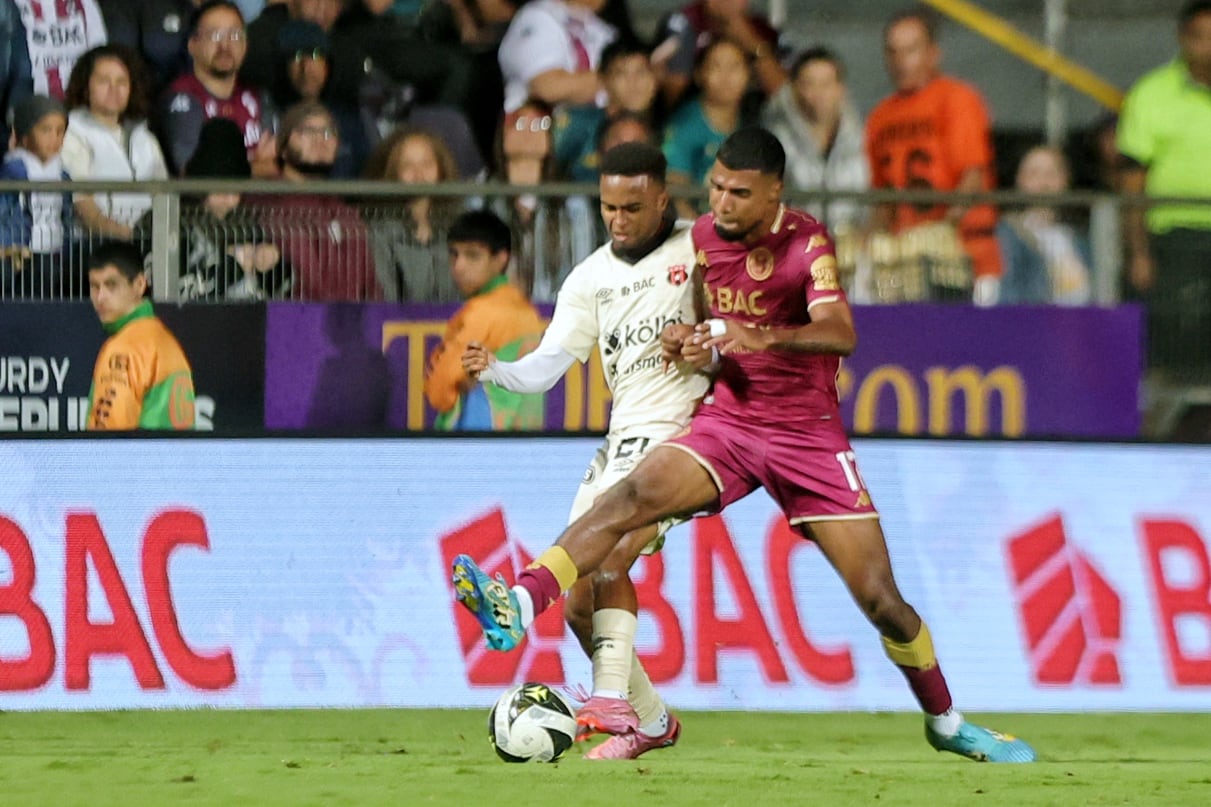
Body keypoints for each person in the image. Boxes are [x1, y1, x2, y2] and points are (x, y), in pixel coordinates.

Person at [453, 127, 1037, 764]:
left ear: (773, 193)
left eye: (738, 192)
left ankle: (945, 720)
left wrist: (762, 338)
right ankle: (521, 600)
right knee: (630, 497)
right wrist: (692, 342)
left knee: (881, 600)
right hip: (728, 424)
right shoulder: (702, 240)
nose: (722, 204)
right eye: (715, 188)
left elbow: (840, 332)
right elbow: (705, 324)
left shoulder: (806, 243)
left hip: (806, 438)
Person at [459, 141, 707, 759]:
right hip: (621, 442)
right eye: (608, 208)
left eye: (631, 207)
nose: (618, 220)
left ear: (661, 199)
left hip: (682, 438)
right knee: (579, 606)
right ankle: (652, 723)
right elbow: (546, 368)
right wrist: (497, 370)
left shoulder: (699, 249)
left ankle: (602, 693)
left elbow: (736, 321)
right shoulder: (591, 278)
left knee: (614, 550)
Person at [865, 6, 1001, 302]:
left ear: (933, 53)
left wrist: (942, 230)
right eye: (893, 52)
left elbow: (972, 176)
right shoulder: (879, 117)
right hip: (906, 264)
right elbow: (882, 198)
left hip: (965, 257)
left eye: (911, 50)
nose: (901, 62)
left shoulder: (957, 98)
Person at [1118, 0, 1211, 375]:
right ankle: (1177, 431)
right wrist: (1139, 252)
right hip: (1174, 240)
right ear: (1182, 39)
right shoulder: (1151, 94)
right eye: (1201, 37)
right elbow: (1132, 184)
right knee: (1176, 349)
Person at [424, 208, 545, 431]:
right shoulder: (528, 313)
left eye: (472, 255)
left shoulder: (484, 313)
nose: (459, 266)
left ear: (500, 259)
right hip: (522, 449)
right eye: (454, 254)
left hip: (474, 449)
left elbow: (439, 392)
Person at [250, 99, 381, 300]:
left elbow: (372, 287)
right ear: (282, 149)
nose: (320, 140)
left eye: (328, 133)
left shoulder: (345, 212)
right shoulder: (269, 201)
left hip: (354, 325)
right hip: (296, 324)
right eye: (306, 132)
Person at [61, 44, 169, 249]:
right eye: (104, 81)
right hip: (96, 247)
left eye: (122, 82)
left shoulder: (144, 137)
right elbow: (83, 205)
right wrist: (129, 237)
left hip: (148, 244)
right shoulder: (73, 132)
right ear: (86, 87)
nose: (114, 90)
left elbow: (163, 197)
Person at [157, 0, 276, 177]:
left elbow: (275, 168)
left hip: (257, 204)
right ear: (193, 45)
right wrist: (254, 167)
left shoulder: (257, 97)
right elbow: (193, 174)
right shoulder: (181, 97)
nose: (225, 46)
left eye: (234, 36)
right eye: (214, 35)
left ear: (245, 45)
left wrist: (229, 169)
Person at [86, 240, 196, 430]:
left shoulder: (124, 347)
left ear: (139, 284)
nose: (100, 297)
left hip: (134, 458)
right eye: (95, 286)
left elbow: (108, 435)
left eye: (111, 285)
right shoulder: (165, 341)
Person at [179, 117, 289, 300]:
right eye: (221, 189)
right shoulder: (170, 223)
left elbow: (285, 289)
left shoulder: (246, 224)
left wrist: (272, 264)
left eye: (235, 190)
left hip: (251, 322)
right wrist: (232, 266)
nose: (229, 199)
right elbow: (173, 294)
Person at [762, 46, 869, 233]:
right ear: (795, 89)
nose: (818, 93)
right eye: (809, 84)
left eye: (826, 84)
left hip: (851, 248)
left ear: (840, 88)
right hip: (795, 250)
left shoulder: (863, 137)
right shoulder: (775, 141)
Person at [364, 126, 465, 302]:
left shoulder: (461, 226)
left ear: (441, 169)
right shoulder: (378, 229)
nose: (419, 174)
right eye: (407, 165)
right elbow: (384, 297)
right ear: (394, 172)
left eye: (427, 164)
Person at [662, 37, 753, 216]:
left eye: (734, 67)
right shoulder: (683, 126)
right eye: (716, 67)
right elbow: (676, 196)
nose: (726, 77)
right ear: (699, 74)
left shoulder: (754, 122)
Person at [996, 145, 1092, 306]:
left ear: (1065, 179)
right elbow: (1008, 293)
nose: (1043, 183)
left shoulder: (1078, 237)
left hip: (1083, 324)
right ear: (1020, 180)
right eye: (1034, 174)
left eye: (1051, 174)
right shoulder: (1009, 234)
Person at [0, 94, 72, 298]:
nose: (54, 138)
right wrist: (8, 247)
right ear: (24, 134)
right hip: (20, 252)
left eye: (60, 131)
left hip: (55, 249)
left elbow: (66, 216)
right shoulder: (13, 172)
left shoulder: (63, 175)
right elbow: (3, 215)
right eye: (46, 130)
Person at [652, 0, 783, 110]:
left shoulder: (761, 29)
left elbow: (782, 93)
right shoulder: (685, 21)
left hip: (750, 116)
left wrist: (749, 40)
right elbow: (675, 87)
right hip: (692, 115)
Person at [496, 0, 614, 114]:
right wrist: (617, 79)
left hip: (589, 127)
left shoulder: (603, 30)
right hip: (534, 127)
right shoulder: (537, 15)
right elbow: (549, 87)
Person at [15, 0, 107, 99]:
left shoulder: (85, 4)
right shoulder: (11, 6)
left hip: (80, 98)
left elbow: (100, 56)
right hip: (30, 100)